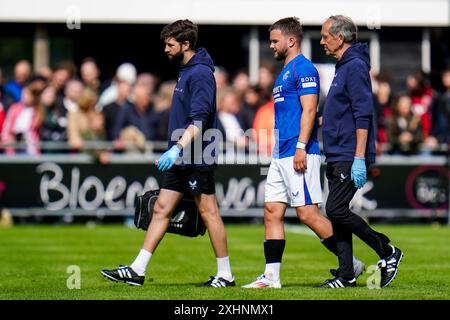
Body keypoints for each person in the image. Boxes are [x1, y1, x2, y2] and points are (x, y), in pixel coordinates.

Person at [101, 19, 235, 287]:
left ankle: (225, 275)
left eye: (170, 44)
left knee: (209, 213)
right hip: (183, 155)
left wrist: (176, 148)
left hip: (197, 156)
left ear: (185, 44)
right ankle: (137, 270)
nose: (165, 48)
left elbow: (198, 120)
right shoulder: (186, 70)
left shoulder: (200, 74)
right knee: (161, 208)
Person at [243, 17, 364, 289]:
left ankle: (350, 264)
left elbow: (310, 109)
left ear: (291, 40)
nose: (271, 46)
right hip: (280, 153)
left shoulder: (304, 68)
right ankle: (271, 277)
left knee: (308, 214)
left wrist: (300, 146)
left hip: (299, 152)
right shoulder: (284, 70)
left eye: (275, 41)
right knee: (272, 211)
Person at [318, 15, 403, 289]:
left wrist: (358, 157)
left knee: (336, 208)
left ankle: (387, 251)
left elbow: (363, 114)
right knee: (336, 213)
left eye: (324, 36)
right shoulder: (342, 67)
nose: (321, 41)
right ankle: (346, 275)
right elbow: (340, 112)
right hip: (336, 152)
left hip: (348, 152)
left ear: (339, 38)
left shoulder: (353, 67)